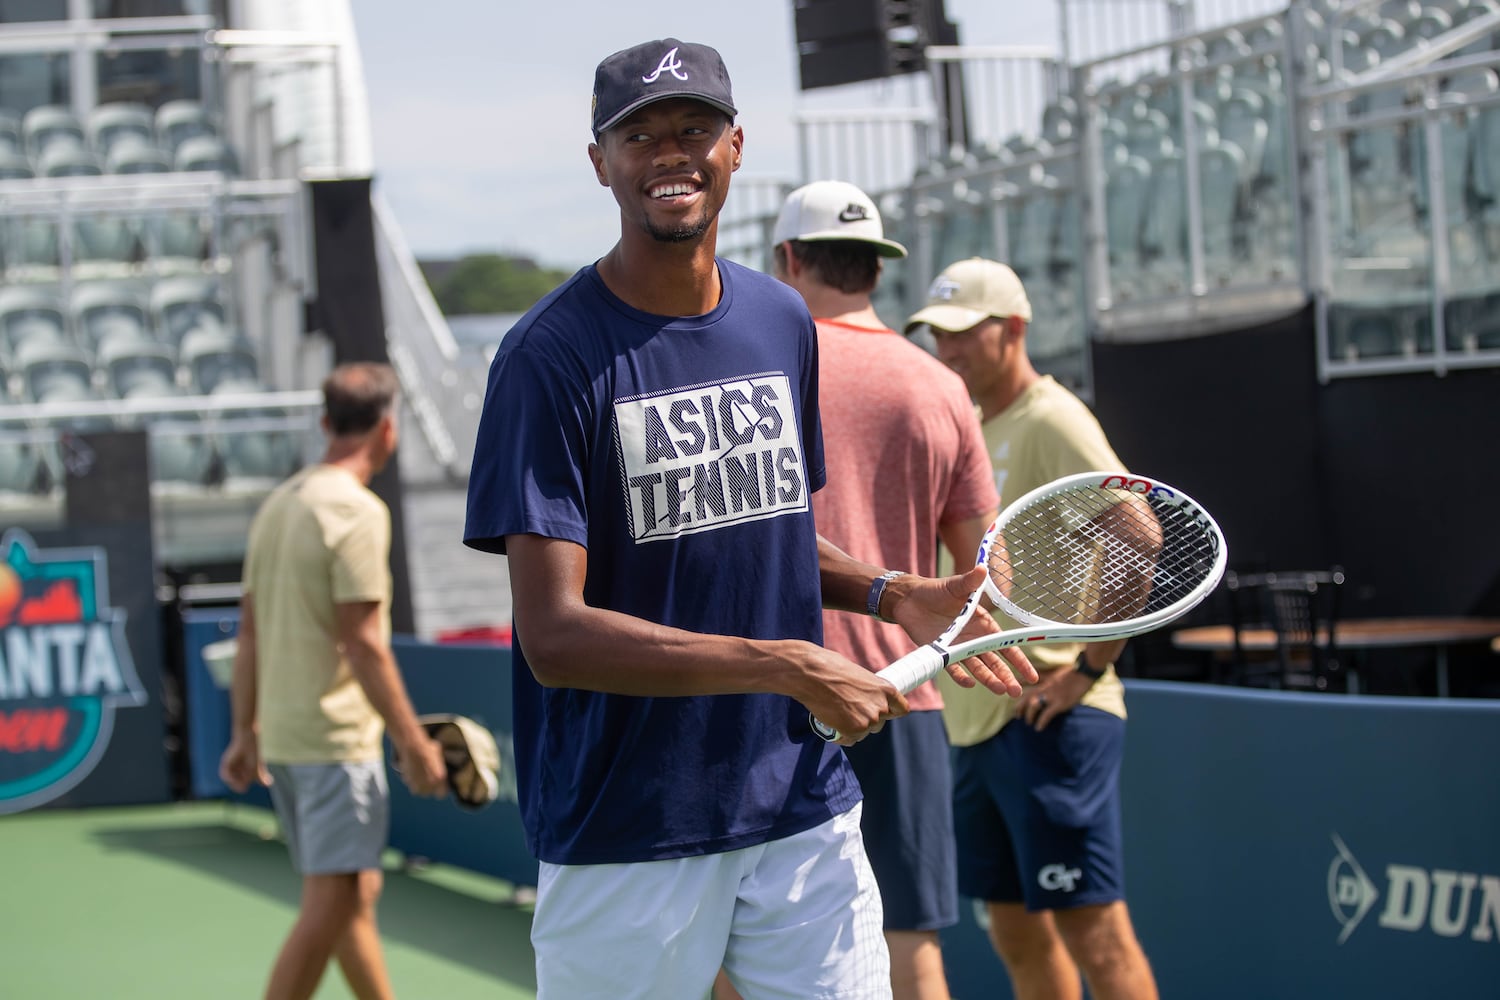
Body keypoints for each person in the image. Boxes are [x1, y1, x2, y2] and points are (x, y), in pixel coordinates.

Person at [462, 40, 1035, 1000]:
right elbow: (554, 637)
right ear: (599, 163)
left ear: (736, 147)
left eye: (692, 129)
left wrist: (897, 594)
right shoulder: (544, 358)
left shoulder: (779, 321)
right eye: (637, 135)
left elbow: (764, 532)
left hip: (798, 801)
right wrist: (789, 664)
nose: (667, 153)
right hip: (626, 828)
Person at [762, 179, 1000, 1000]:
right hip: (902, 705)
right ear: (875, 266)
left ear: (789, 259)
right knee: (909, 940)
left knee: (744, 934)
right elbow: (978, 579)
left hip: (775, 694)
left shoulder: (758, 367)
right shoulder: (941, 385)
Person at [905, 258, 1160, 1000]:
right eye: (936, 335)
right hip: (979, 721)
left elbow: (1138, 533)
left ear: (1012, 330)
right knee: (1014, 930)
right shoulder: (975, 424)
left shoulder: (1051, 416)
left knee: (1096, 933)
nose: (945, 350)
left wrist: (1085, 669)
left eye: (962, 333)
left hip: (1049, 719)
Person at [219, 361, 449, 1000]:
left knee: (354, 896)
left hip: (290, 740)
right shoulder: (357, 512)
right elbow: (364, 643)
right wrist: (412, 742)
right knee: (332, 902)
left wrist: (244, 730)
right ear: (387, 430)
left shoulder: (280, 504)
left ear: (324, 424)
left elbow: (250, 634)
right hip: (332, 743)